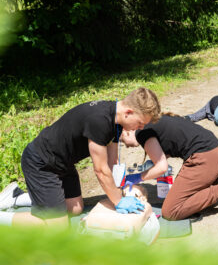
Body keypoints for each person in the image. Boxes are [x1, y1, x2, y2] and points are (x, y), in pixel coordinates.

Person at [0, 87, 161, 228]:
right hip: (41, 163)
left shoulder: (117, 120)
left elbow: (112, 163)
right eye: (140, 123)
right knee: (56, 228)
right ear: (128, 112)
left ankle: (18, 197)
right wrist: (118, 201)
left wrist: (119, 190)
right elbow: (100, 169)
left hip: (64, 163)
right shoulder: (100, 121)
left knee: (75, 209)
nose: (139, 128)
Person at [120, 114, 218, 220]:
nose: (126, 146)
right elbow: (162, 156)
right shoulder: (153, 122)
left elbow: (162, 167)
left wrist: (138, 177)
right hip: (215, 151)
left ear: (127, 131)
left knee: (170, 211)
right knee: (183, 191)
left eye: (122, 141)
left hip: (204, 159)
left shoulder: (143, 132)